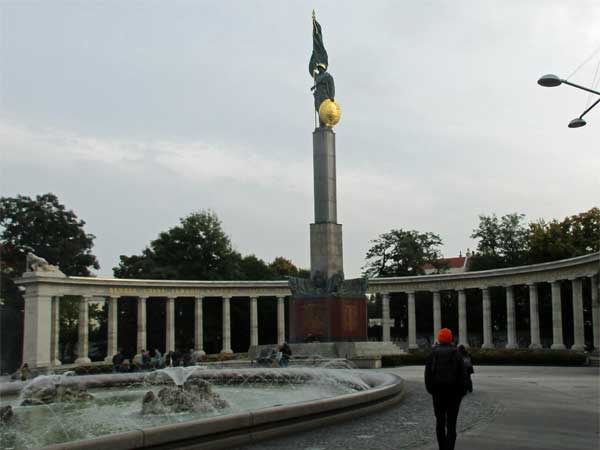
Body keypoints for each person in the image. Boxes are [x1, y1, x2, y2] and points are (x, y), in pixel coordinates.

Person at [425, 328, 468, 450]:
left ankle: (442, 448)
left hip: (438, 393)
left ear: (439, 339)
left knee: (440, 423)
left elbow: (427, 375)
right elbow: (463, 375)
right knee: (451, 425)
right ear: (450, 339)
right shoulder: (457, 354)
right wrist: (462, 392)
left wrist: (431, 390)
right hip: (454, 394)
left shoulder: (432, 354)